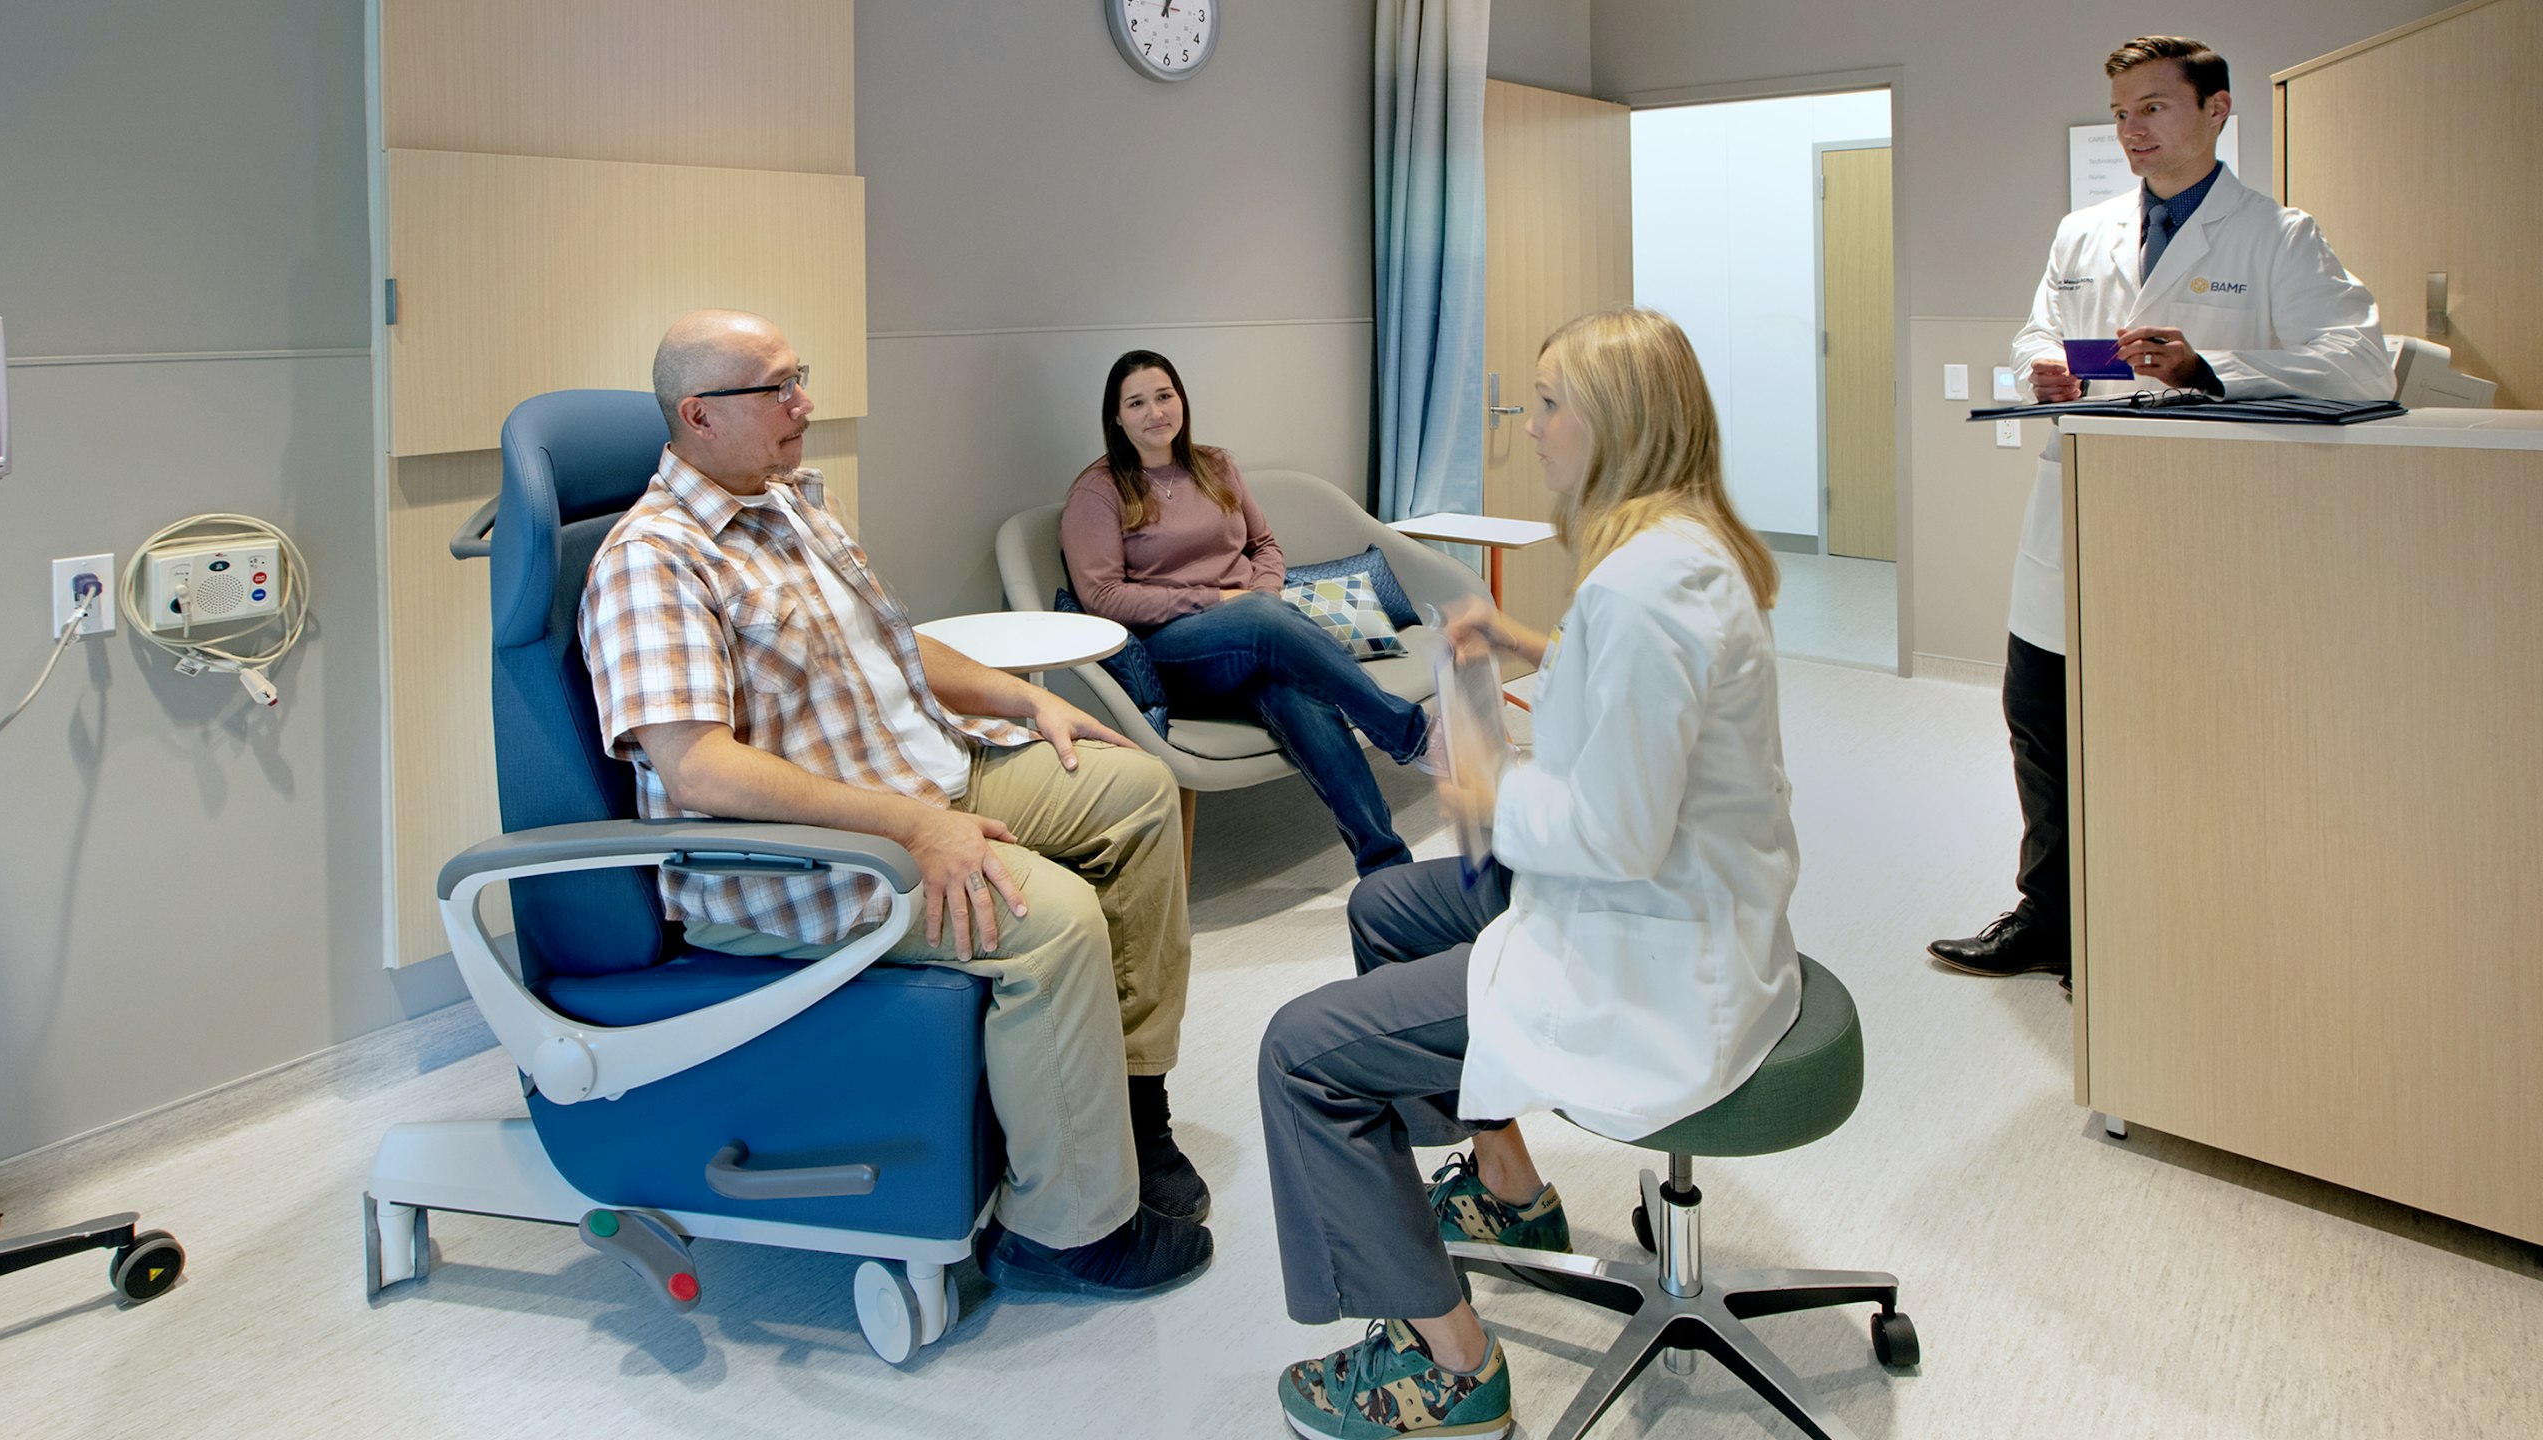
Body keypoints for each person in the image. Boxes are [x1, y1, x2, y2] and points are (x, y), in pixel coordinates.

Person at [578, 310, 1212, 1297]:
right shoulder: (650, 559)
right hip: (800, 858)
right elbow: (697, 768)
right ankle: (1065, 1230)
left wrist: (1026, 699)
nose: (806, 404)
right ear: (700, 415)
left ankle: (1128, 1105)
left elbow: (895, 648)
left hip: (919, 776)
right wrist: (915, 827)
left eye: (801, 376)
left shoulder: (789, 502)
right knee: (1051, 922)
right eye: (778, 389)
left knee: (1136, 790)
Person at [1257, 308, 1803, 1440]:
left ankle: (1446, 1369)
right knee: (1386, 905)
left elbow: (1612, 832)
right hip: (1686, 915)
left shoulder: (1642, 588)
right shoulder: (1680, 553)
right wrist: (1528, 649)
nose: (1533, 425)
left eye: (1550, 404)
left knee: (1301, 1053)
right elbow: (1643, 710)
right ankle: (1504, 1185)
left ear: (1613, 426)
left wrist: (1482, 795)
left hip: (1647, 959)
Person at [1930, 35, 2392, 987]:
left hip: (2203, 534)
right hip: (2077, 514)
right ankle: (2050, 915)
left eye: (2154, 107)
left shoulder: (2279, 237)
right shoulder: (2082, 229)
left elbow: (2360, 362)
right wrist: (2042, 368)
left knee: (2173, 740)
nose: (2132, 130)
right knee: (2040, 723)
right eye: (2121, 113)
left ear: (2217, 111)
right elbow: (2038, 327)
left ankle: (2163, 922)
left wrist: (2208, 368)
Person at [1060, 350, 1431, 876]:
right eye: (1137, 403)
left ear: (1181, 399)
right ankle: (1410, 734)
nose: (1155, 412)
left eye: (1164, 396)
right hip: (1175, 650)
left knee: (1296, 696)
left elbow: (1265, 545)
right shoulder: (1098, 492)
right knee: (1260, 622)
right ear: (1116, 417)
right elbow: (1103, 598)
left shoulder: (1216, 465)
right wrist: (1223, 601)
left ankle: (1387, 867)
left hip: (1258, 633)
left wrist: (1263, 592)